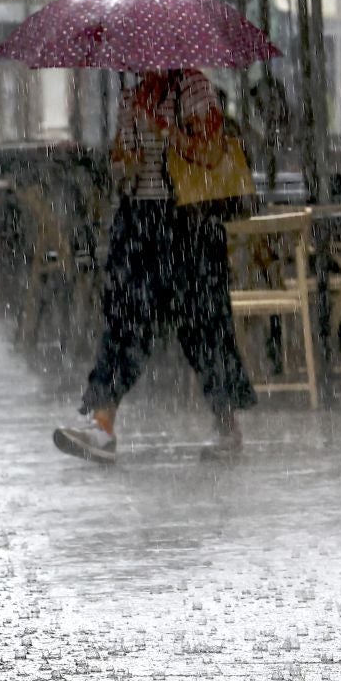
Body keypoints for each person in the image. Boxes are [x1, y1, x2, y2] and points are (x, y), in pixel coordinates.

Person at [54, 68, 258, 464]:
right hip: (140, 221)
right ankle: (103, 425)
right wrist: (125, 160)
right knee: (126, 320)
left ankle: (226, 424)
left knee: (204, 325)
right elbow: (121, 166)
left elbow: (212, 152)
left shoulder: (194, 88)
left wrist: (167, 132)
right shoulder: (133, 98)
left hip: (189, 222)